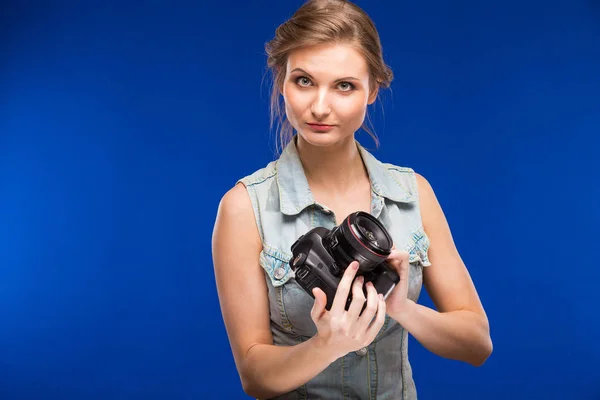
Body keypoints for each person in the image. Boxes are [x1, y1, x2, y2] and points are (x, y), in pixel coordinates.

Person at [212, 0, 493, 398]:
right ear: (282, 81)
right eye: (304, 81)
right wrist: (328, 344)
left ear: (373, 90)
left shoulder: (413, 194)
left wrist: (399, 307)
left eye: (344, 85)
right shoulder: (244, 207)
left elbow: (477, 343)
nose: (320, 107)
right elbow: (255, 377)